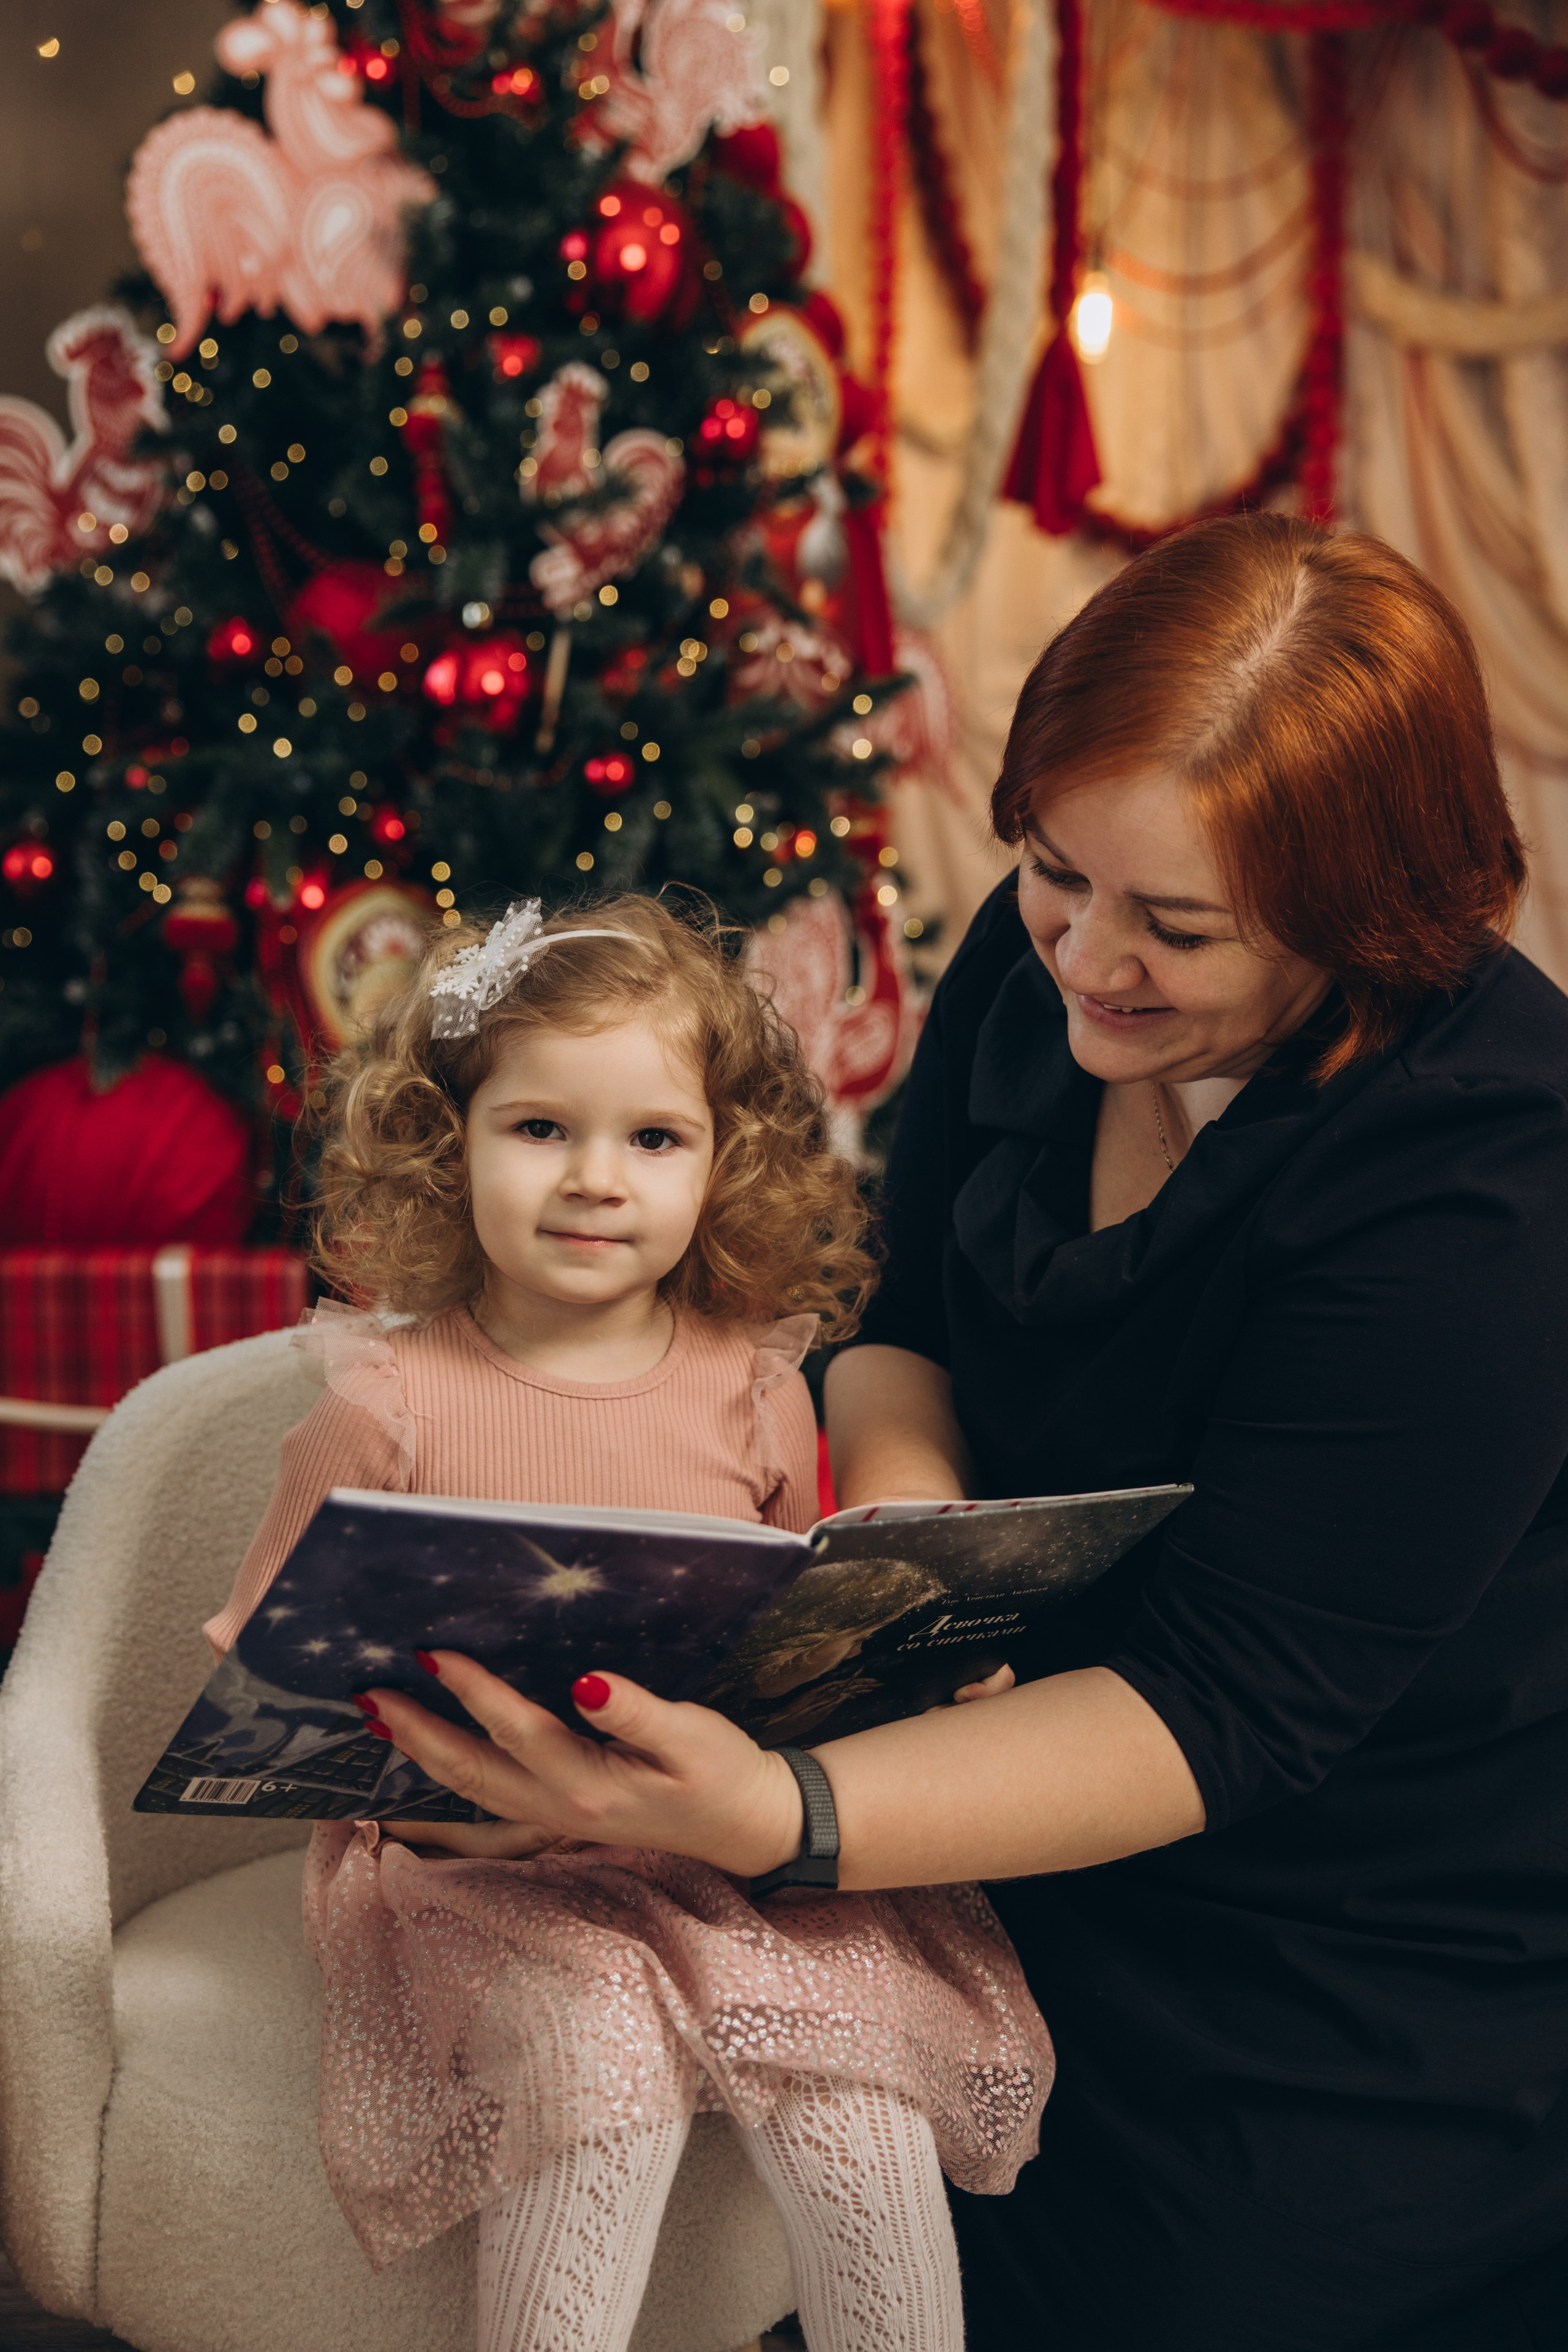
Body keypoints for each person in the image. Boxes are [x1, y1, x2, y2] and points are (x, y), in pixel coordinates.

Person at [367, 518, 1568, 2351]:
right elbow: (900, 1313)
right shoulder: (1050, 974)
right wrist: (922, 1565)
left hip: (1345, 1912)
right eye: (1052, 873)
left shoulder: (1493, 1179)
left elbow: (1232, 1704)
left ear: (1369, 912)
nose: (1088, 959)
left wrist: (790, 1812)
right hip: (980, 1769)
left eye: (1177, 928)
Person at [203, 892, 1054, 2352]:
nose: (596, 1180)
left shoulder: (757, 1390)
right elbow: (276, 1693)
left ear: (723, 1164)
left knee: (859, 2114)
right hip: (482, 1871)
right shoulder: (382, 1407)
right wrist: (464, 1821)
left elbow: (804, 1640)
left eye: (652, 1139)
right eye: (539, 1129)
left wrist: (924, 1674)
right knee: (597, 2077)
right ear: (446, 1141)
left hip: (723, 1852)